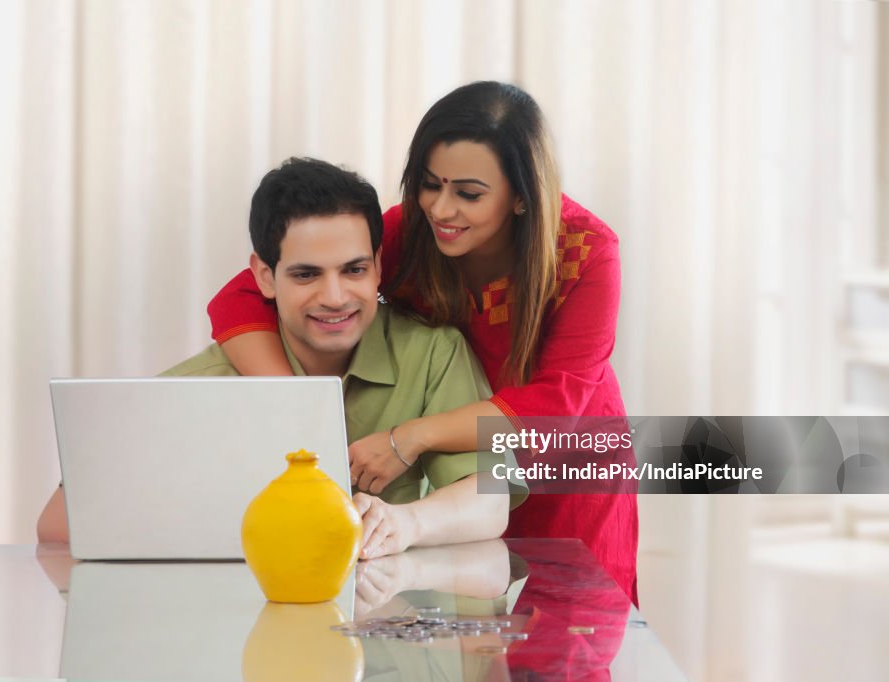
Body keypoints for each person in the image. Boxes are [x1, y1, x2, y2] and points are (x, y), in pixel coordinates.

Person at [205, 81, 638, 604]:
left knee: (568, 643)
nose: (441, 209)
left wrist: (409, 438)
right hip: (475, 473)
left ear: (522, 196)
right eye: (430, 184)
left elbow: (556, 410)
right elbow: (243, 296)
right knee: (481, 653)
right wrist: (297, 408)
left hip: (568, 469)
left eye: (469, 194)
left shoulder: (588, 254)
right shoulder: (412, 232)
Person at [38, 157, 523, 557]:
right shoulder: (198, 385)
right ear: (265, 277)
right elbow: (57, 526)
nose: (335, 297)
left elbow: (490, 500)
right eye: (307, 275)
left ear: (379, 265)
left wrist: (404, 523)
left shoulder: (433, 353)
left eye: (354, 269)